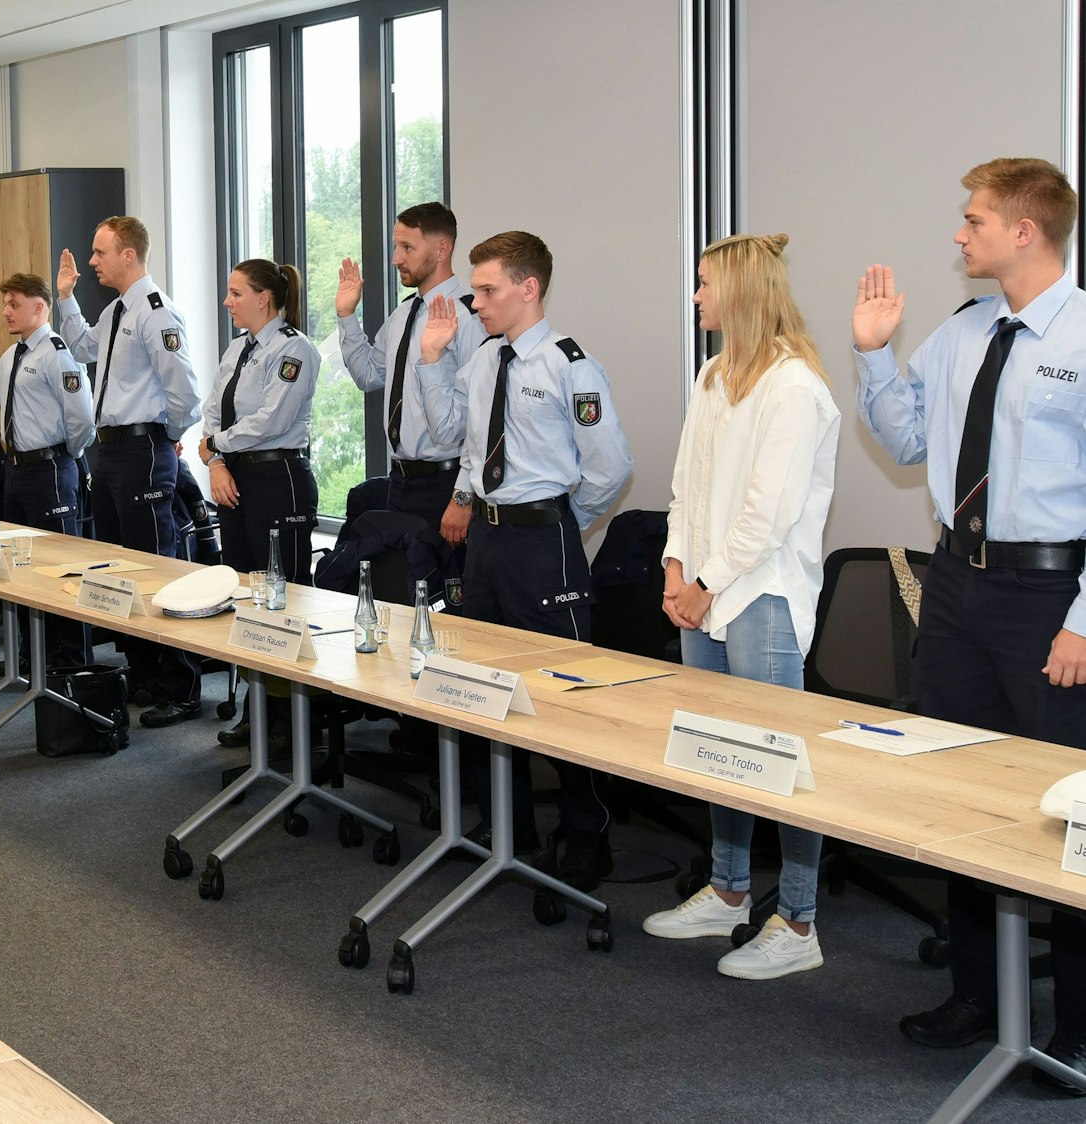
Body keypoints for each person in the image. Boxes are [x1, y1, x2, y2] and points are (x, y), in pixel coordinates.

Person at [855, 156, 1086, 1087]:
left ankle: (1076, 1023)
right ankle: (979, 997)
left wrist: (1085, 621)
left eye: (976, 221)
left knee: (1056, 816)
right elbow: (909, 442)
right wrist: (874, 350)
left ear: (1024, 231)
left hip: (1049, 600)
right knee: (956, 792)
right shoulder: (963, 332)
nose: (961, 234)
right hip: (955, 586)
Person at [642, 233, 840, 980]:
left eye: (703, 284)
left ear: (743, 292)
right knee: (715, 749)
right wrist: (674, 564)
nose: (695, 296)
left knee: (776, 760)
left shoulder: (794, 386)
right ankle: (728, 891)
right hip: (707, 589)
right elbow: (686, 484)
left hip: (762, 596)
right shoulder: (715, 372)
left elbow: (770, 513)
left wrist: (705, 582)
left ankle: (798, 919)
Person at [416, 230, 633, 889]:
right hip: (486, 544)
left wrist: (564, 526)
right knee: (482, 685)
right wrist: (431, 362)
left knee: (565, 697)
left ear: (527, 288)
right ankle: (507, 825)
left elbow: (610, 468)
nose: (476, 302)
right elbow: (457, 440)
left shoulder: (571, 366)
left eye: (487, 290)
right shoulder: (484, 360)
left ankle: (584, 833)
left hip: (543, 541)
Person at [54, 216, 205, 727]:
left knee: (158, 568)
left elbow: (185, 391)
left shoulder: (156, 313)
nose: (92, 261)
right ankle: (143, 673)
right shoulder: (119, 310)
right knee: (121, 568)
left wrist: (168, 435)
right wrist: (67, 297)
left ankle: (180, 685)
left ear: (128, 254)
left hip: (143, 450)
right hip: (112, 452)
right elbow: (82, 349)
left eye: (99, 253)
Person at [336, 202, 488, 605]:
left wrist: (463, 496)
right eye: (396, 246)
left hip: (446, 482)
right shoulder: (404, 313)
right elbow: (369, 374)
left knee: (448, 605)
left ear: (440, 250)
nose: (395, 258)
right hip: (401, 482)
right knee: (404, 597)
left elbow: (481, 419)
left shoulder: (470, 317)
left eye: (407, 247)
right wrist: (347, 317)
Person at [199, 259, 320, 748]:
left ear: (263, 299)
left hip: (278, 478)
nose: (227, 302)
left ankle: (295, 720)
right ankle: (258, 711)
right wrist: (216, 462)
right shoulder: (237, 349)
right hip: (237, 478)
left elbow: (270, 421)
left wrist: (218, 447)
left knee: (283, 598)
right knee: (248, 599)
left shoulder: (295, 349)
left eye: (235, 293)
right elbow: (211, 411)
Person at [0, 273, 94, 668]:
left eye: (14, 303)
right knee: (22, 565)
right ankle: (31, 653)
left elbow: (82, 420)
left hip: (50, 470)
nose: (5, 311)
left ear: (39, 308)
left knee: (59, 568)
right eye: (5, 303)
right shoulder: (15, 353)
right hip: (17, 472)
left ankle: (69, 657)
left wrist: (62, 456)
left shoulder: (57, 352)